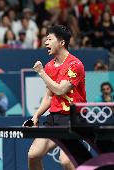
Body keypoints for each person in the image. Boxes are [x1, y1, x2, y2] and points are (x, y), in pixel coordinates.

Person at [28, 25, 86, 170]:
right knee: (33, 155)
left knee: (66, 162)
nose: (46, 42)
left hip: (73, 119)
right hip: (54, 118)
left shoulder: (75, 65)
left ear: (61, 42)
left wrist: (41, 73)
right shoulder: (49, 66)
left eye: (49, 39)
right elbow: (49, 95)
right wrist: (36, 116)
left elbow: (60, 90)